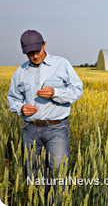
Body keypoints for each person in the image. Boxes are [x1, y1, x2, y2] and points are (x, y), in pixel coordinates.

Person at [7, 29, 83, 188]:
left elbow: (77, 91)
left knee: (59, 176)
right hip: (30, 130)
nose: (35, 56)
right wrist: (21, 108)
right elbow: (12, 98)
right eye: (30, 53)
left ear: (44, 45)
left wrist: (55, 92)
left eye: (38, 51)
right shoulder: (20, 71)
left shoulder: (61, 64)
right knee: (33, 177)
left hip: (57, 129)